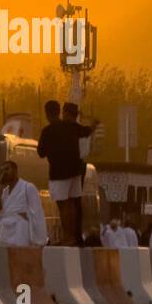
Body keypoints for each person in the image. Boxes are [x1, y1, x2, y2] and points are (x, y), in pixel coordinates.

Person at [36, 99, 86, 244]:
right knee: (72, 204)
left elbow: (41, 152)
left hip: (58, 173)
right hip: (75, 171)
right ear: (59, 111)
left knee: (63, 205)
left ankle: (68, 237)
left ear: (47, 113)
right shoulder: (71, 127)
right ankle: (73, 236)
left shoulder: (48, 131)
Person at [0, 160, 47, 247]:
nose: (4, 173)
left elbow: (37, 213)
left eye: (7, 169)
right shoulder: (4, 191)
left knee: (21, 258)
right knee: (5, 259)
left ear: (15, 171)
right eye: (2, 171)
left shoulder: (28, 187)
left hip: (20, 230)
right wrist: (0, 188)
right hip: (5, 232)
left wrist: (27, 215)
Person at [61, 102, 96, 245]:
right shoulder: (80, 130)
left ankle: (72, 235)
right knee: (73, 202)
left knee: (70, 202)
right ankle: (74, 235)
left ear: (67, 114)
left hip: (73, 165)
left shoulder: (74, 130)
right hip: (77, 165)